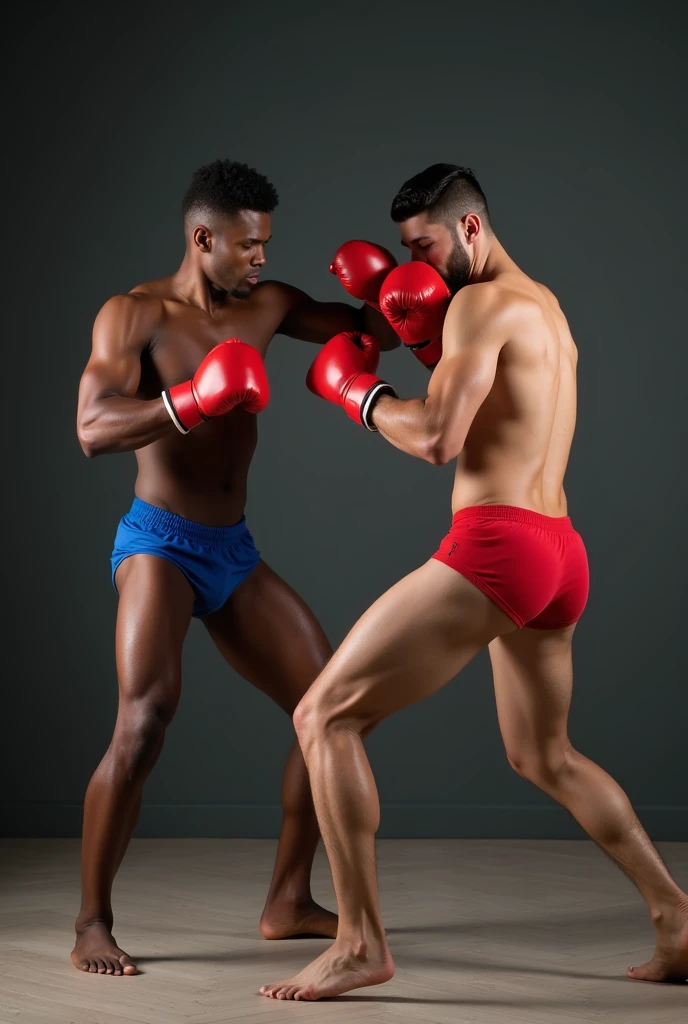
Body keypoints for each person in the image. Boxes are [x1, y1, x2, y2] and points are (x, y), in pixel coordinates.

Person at [259, 164, 688, 1000]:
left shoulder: (481, 304)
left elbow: (436, 439)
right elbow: (502, 410)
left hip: (497, 545)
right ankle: (677, 918)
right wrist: (428, 345)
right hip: (560, 549)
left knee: (325, 714)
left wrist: (359, 392)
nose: (410, 264)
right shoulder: (548, 310)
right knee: (544, 754)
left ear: (468, 231)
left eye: (421, 246)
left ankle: (361, 943)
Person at [72, 159, 399, 977]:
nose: (261, 258)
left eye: (267, 245)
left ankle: (287, 900)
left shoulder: (271, 304)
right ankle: (90, 925)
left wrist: (401, 291)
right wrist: (185, 403)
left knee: (328, 707)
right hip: (160, 542)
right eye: (249, 245)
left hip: (233, 549)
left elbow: (375, 329)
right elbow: (91, 426)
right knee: (144, 719)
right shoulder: (135, 315)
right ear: (202, 236)